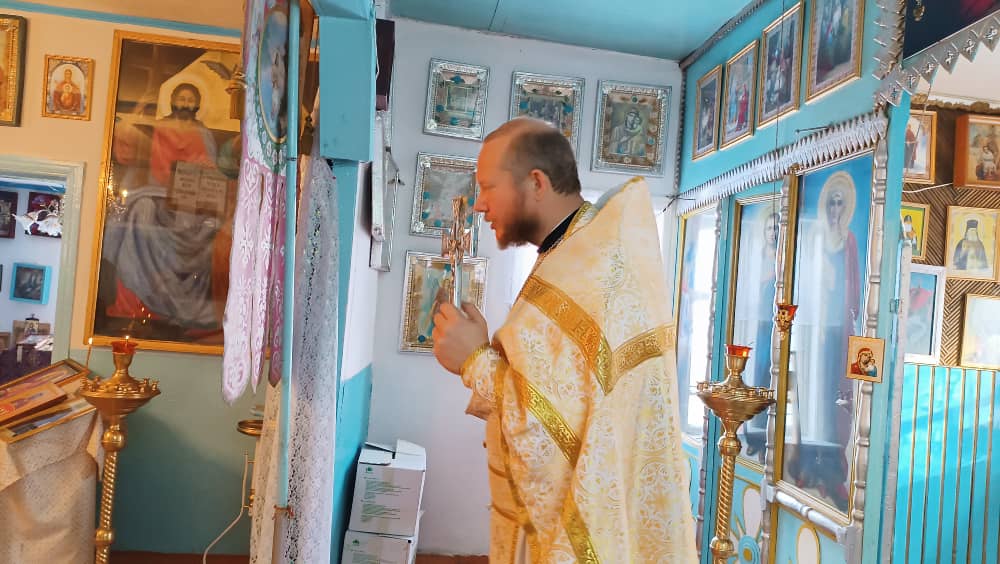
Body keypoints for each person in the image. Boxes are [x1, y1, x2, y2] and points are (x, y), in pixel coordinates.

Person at [431, 117, 696, 562]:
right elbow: (560, 396)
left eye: (489, 187)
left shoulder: (593, 271)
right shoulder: (572, 253)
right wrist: (483, 354)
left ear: (536, 182)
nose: (479, 205)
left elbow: (557, 440)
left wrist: (475, 361)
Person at [102, 82, 235, 338]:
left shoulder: (203, 133)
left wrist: (198, 176)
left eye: (190, 100)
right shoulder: (159, 128)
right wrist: (173, 182)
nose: (185, 104)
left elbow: (211, 170)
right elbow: (151, 163)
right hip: (158, 191)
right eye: (181, 98)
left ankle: (197, 310)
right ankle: (139, 299)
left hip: (192, 197)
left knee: (212, 229)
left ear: (197, 105)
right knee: (141, 211)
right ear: (173, 101)